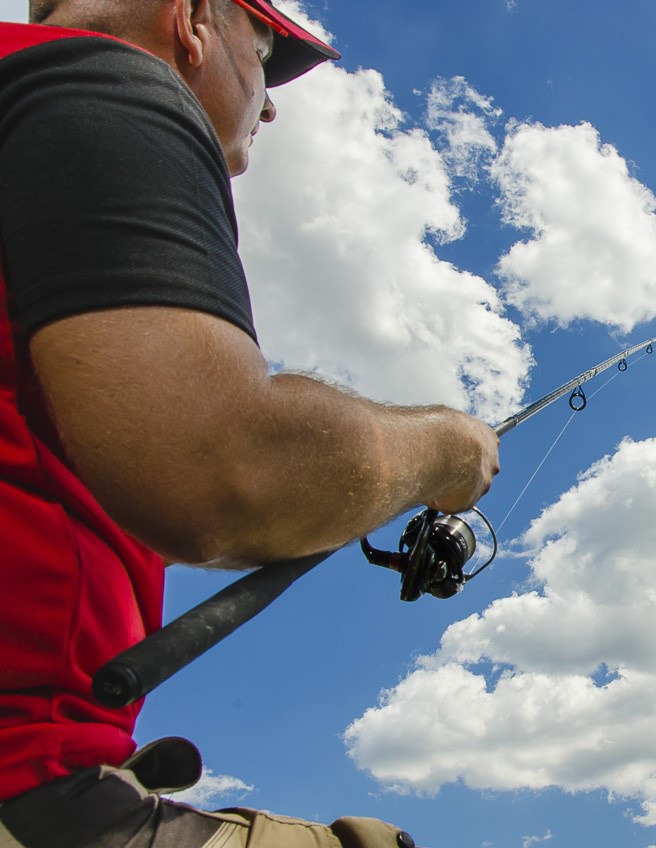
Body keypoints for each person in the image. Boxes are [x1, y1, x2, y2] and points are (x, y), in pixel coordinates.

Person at [0, 0, 500, 844]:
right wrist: (450, 449)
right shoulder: (101, 83)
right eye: (264, 56)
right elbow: (223, 474)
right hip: (30, 781)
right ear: (192, 19)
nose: (269, 104)